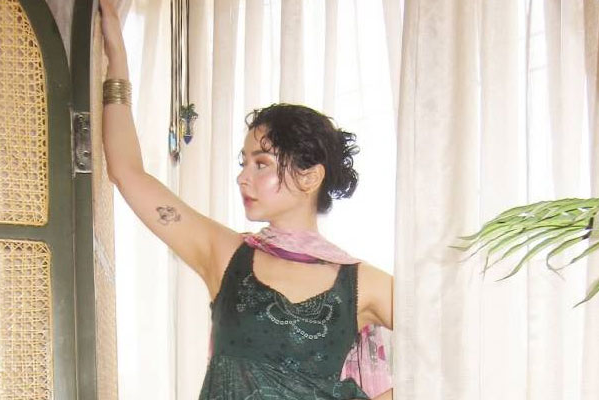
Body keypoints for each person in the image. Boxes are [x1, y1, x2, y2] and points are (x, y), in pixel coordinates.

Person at [99, 0, 394, 399]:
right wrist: (117, 59)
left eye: (261, 163)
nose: (243, 177)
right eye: (244, 163)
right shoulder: (226, 256)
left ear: (310, 176)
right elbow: (127, 172)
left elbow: (451, 342)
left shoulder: (362, 284)